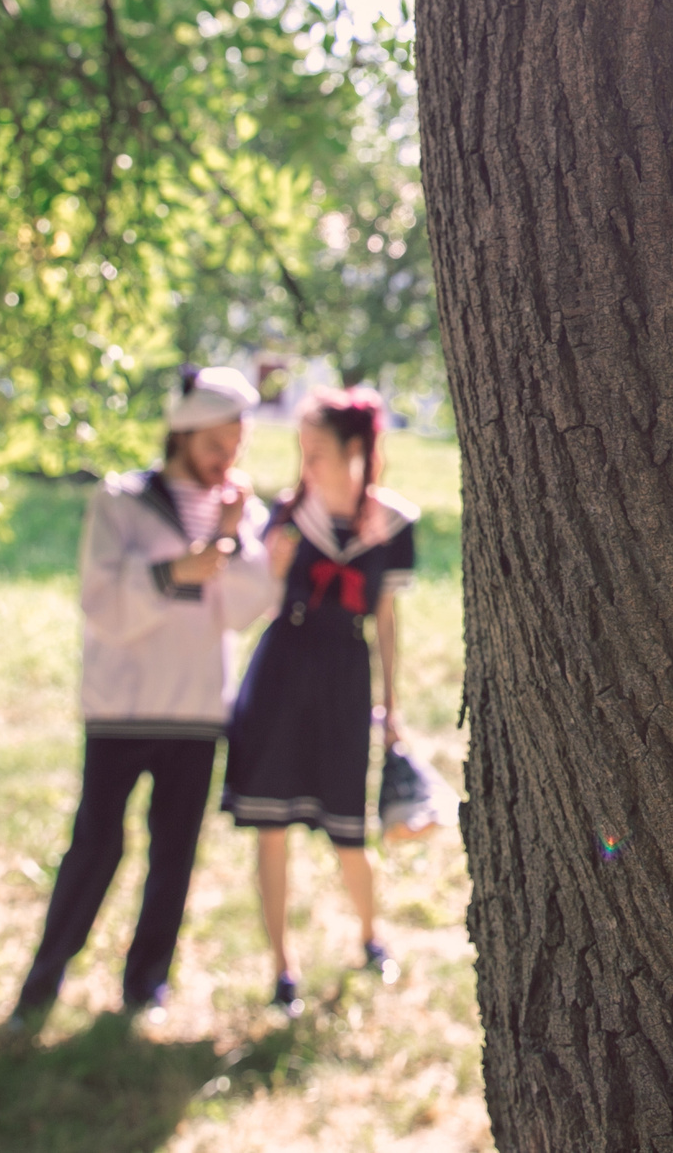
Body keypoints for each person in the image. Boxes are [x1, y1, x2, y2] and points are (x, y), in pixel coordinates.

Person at [4, 365, 278, 1033]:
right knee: (96, 843)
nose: (225, 461)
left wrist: (234, 535)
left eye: (235, 446)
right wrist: (171, 571)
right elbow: (100, 600)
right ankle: (45, 977)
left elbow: (247, 606)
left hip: (194, 708)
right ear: (181, 435)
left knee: (174, 850)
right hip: (121, 706)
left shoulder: (242, 512)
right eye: (215, 445)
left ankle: (145, 982)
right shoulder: (120, 501)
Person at [221, 387, 419, 1008]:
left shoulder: (393, 523)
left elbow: (385, 619)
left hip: (343, 673)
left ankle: (370, 937)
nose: (307, 468)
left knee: (348, 822)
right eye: (302, 453)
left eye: (319, 454)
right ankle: (283, 968)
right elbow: (257, 596)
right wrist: (272, 567)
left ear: (357, 449)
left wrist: (392, 706)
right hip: (284, 666)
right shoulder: (288, 514)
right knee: (271, 823)